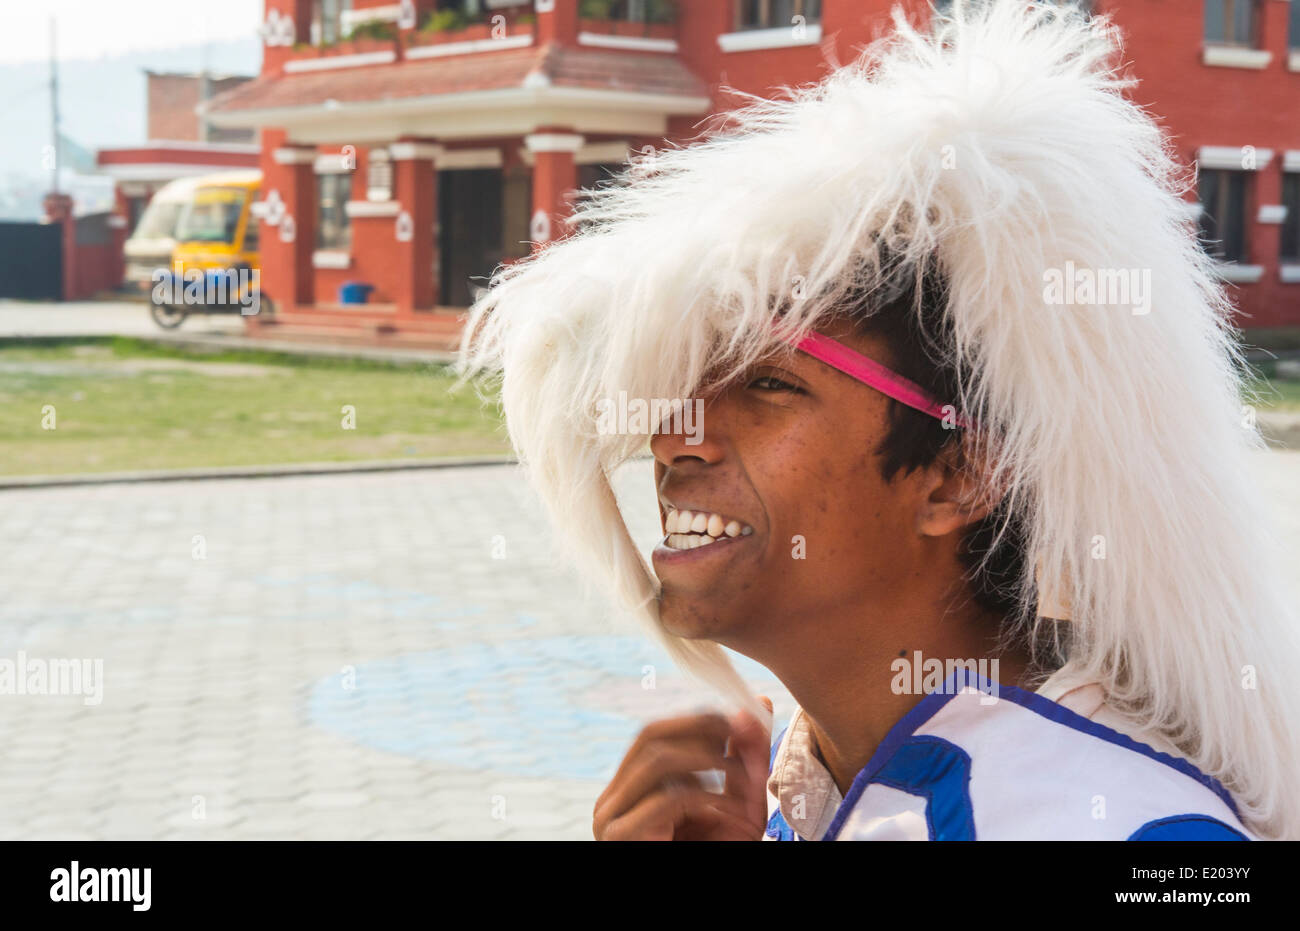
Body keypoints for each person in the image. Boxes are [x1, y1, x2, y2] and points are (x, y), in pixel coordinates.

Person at [456, 0, 1300, 840]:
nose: (676, 435)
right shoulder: (800, 794)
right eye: (684, 384)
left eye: (766, 385)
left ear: (960, 473)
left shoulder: (1146, 834)